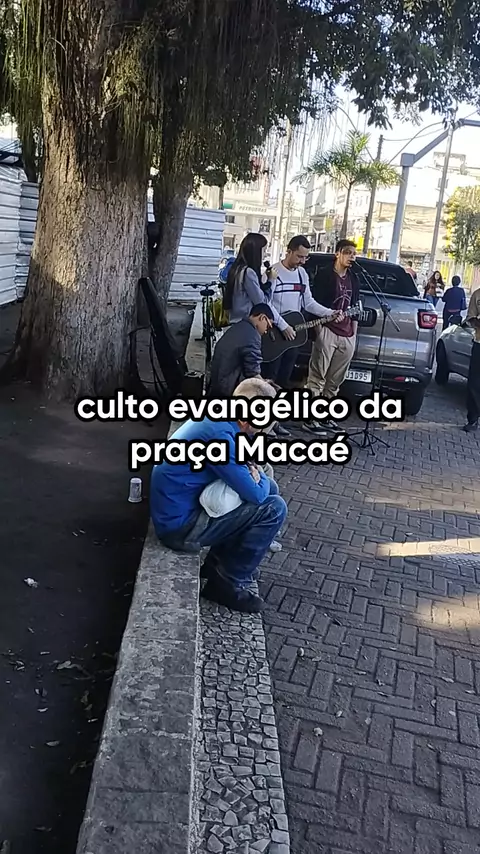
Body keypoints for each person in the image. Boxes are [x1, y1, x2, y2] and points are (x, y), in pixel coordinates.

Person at [150, 378, 287, 613]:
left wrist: (256, 472)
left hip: (176, 511)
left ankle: (218, 564)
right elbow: (256, 494)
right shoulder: (221, 437)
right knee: (274, 508)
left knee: (269, 489)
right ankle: (226, 584)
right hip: (179, 528)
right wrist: (258, 472)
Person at [262, 235, 341, 436]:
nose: (303, 261)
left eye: (306, 257)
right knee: (269, 379)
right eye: (299, 256)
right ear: (288, 251)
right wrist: (282, 325)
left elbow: (309, 302)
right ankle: (262, 422)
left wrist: (329, 313)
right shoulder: (273, 272)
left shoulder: (302, 274)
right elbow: (266, 302)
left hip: (293, 337)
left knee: (283, 380)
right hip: (274, 335)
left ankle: (274, 422)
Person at [303, 239, 360, 434]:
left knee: (335, 381)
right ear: (338, 253)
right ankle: (310, 418)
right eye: (348, 252)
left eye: (354, 253)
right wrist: (319, 331)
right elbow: (314, 303)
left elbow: (356, 306)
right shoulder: (325, 274)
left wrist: (354, 335)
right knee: (317, 377)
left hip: (347, 333)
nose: (352, 257)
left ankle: (326, 415)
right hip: (327, 330)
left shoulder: (354, 278)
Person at [207, 303, 274, 397]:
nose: (266, 331)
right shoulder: (253, 335)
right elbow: (253, 371)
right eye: (268, 326)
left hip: (217, 382)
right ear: (262, 318)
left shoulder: (239, 327)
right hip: (228, 388)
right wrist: (265, 385)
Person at [222, 232, 278, 323]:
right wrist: (271, 280)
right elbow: (262, 302)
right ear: (256, 252)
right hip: (246, 323)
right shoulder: (248, 273)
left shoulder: (237, 268)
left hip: (235, 321)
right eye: (264, 251)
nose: (265, 255)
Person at [462, 286, 480, 433]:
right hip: (479, 344)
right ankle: (473, 419)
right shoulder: (477, 295)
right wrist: (477, 323)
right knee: (474, 383)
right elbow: (470, 318)